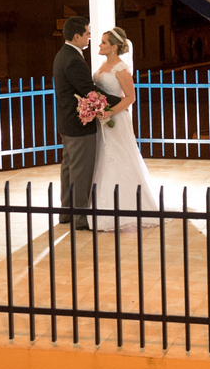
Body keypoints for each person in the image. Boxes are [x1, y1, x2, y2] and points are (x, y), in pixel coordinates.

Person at [91, 27, 162, 232]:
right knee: (102, 157)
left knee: (119, 157)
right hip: (101, 117)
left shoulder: (121, 69)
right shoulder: (104, 65)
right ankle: (102, 203)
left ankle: (125, 205)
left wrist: (110, 112)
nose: (100, 45)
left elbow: (131, 98)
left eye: (104, 42)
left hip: (116, 119)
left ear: (114, 46)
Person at [53, 16, 118, 230]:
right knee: (80, 172)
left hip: (67, 123)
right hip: (79, 124)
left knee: (69, 169)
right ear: (77, 35)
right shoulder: (72, 59)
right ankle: (80, 219)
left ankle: (66, 212)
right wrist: (120, 101)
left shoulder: (62, 55)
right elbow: (89, 91)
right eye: (88, 33)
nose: (90, 37)